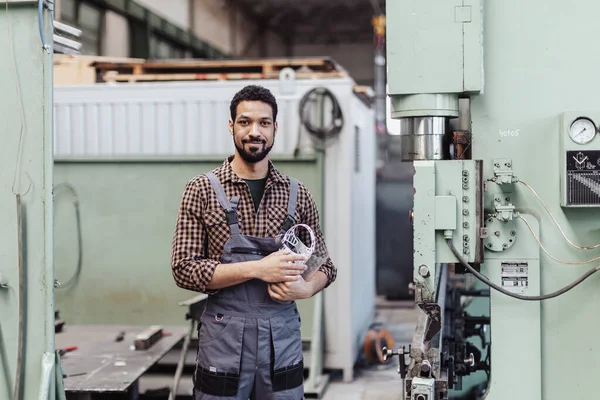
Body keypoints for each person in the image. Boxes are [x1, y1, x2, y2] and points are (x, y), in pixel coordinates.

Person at [170, 84, 337, 400]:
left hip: (281, 338)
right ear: (231, 126)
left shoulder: (297, 194)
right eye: (244, 122)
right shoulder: (201, 190)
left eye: (263, 123)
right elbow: (184, 269)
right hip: (223, 339)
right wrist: (259, 268)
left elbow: (325, 266)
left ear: (275, 128)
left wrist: (306, 288)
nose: (254, 132)